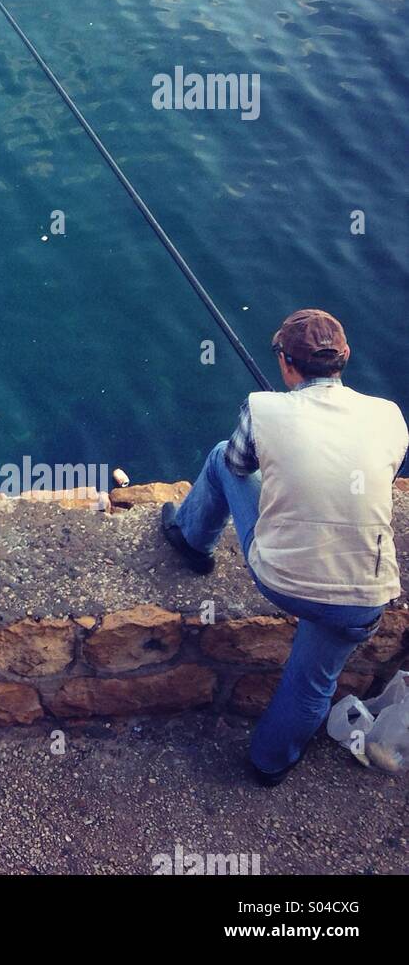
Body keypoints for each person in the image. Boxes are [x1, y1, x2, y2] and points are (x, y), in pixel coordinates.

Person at [161, 309, 407, 785]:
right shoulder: (390, 417)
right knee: (314, 683)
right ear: (345, 357)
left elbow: (238, 463)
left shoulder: (262, 408)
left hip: (284, 579)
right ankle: (270, 764)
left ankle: (192, 541)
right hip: (363, 595)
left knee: (218, 458)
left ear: (285, 363)